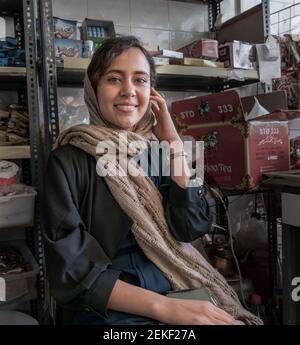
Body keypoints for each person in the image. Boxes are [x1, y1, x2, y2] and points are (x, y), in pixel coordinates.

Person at [42, 36, 262, 325]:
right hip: (108, 312)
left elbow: (191, 226)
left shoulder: (158, 154)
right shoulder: (67, 161)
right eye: (113, 79)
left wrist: (172, 142)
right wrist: (166, 310)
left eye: (140, 80)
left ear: (152, 93)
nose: (128, 91)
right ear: (93, 89)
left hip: (176, 288)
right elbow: (74, 271)